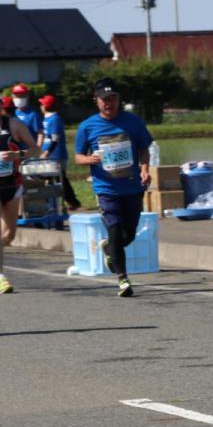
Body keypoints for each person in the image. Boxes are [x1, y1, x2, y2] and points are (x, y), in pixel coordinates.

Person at [74, 78, 154, 297]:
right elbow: (77, 157)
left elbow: (143, 149)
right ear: (96, 101)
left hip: (132, 187)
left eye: (113, 98)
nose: (109, 103)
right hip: (106, 188)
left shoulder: (133, 122)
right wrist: (89, 159)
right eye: (104, 100)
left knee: (128, 235)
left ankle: (109, 248)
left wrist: (145, 169)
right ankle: (123, 280)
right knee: (116, 230)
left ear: (118, 100)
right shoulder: (87, 126)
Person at [0, 110, 38, 294]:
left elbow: (35, 149)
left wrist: (17, 154)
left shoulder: (13, 125)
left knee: (8, 235)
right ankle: (0, 278)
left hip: (12, 185)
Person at [38, 95, 80, 211]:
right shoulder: (45, 118)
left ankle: (71, 202)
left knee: (60, 180)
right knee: (53, 180)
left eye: (42, 104)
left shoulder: (55, 119)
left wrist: (47, 152)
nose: (40, 106)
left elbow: (55, 139)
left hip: (56, 155)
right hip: (47, 154)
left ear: (45, 106)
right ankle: (55, 203)